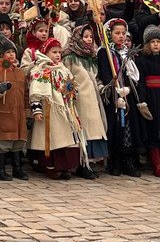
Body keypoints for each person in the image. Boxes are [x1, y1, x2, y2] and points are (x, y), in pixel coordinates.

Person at [28, 37, 86, 180]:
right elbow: (36, 90)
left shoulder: (63, 69)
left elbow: (72, 86)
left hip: (64, 109)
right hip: (50, 109)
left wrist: (69, 90)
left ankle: (64, 166)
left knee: (66, 138)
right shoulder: (41, 69)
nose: (58, 55)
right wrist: (37, 109)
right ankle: (51, 166)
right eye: (54, 52)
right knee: (52, 138)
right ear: (46, 53)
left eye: (59, 52)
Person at [97, 18, 144, 177]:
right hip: (113, 95)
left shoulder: (127, 53)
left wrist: (129, 88)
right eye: (117, 33)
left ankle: (129, 161)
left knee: (129, 127)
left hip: (127, 94)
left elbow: (132, 74)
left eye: (124, 33)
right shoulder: (105, 52)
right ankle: (114, 161)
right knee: (116, 126)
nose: (121, 36)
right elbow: (104, 73)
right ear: (110, 34)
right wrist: (114, 88)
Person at [62, 25, 108, 178]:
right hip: (78, 99)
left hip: (93, 100)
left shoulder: (92, 57)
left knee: (93, 131)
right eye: (85, 36)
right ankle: (81, 164)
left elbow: (96, 77)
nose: (88, 39)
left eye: (90, 36)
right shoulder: (69, 56)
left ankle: (89, 163)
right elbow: (66, 76)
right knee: (81, 130)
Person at [0, 35, 29, 182]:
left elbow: (25, 93)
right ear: (0, 55)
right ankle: (0, 170)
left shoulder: (20, 72)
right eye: (8, 52)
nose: (12, 54)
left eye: (13, 51)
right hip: (4, 112)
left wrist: (27, 110)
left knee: (18, 141)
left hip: (19, 112)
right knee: (3, 142)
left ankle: (17, 169)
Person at [136, 25, 160, 177]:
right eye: (152, 41)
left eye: (158, 41)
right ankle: (157, 164)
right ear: (147, 44)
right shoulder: (142, 61)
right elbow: (141, 83)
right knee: (153, 130)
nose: (156, 44)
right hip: (152, 98)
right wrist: (142, 101)